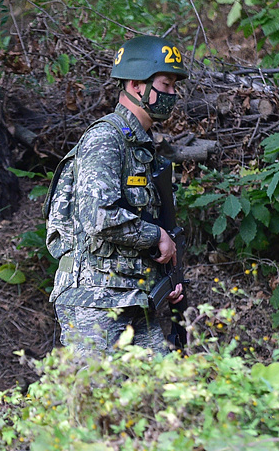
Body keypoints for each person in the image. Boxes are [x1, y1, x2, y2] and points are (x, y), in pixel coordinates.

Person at [45, 35, 188, 356]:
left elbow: (135, 228)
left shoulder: (141, 147)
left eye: (174, 86)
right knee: (93, 398)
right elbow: (100, 217)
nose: (172, 94)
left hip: (133, 296)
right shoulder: (106, 139)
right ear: (137, 85)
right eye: (165, 84)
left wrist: (166, 279)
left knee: (164, 393)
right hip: (93, 301)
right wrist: (158, 236)